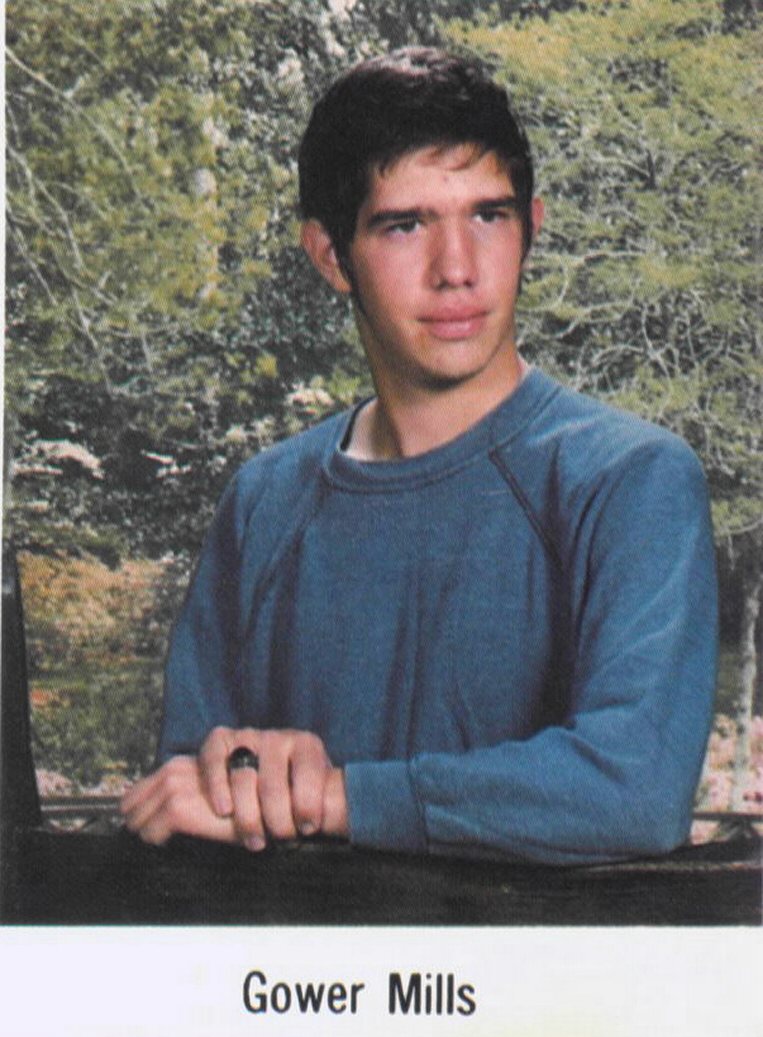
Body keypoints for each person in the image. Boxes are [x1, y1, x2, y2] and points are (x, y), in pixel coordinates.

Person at [121, 47, 718, 864]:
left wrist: (334, 796)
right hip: (301, 955)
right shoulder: (263, 500)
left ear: (531, 228)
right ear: (330, 255)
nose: (457, 270)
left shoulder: (629, 481)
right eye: (404, 225)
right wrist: (236, 782)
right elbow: (189, 801)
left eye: (488, 216)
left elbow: (632, 789)